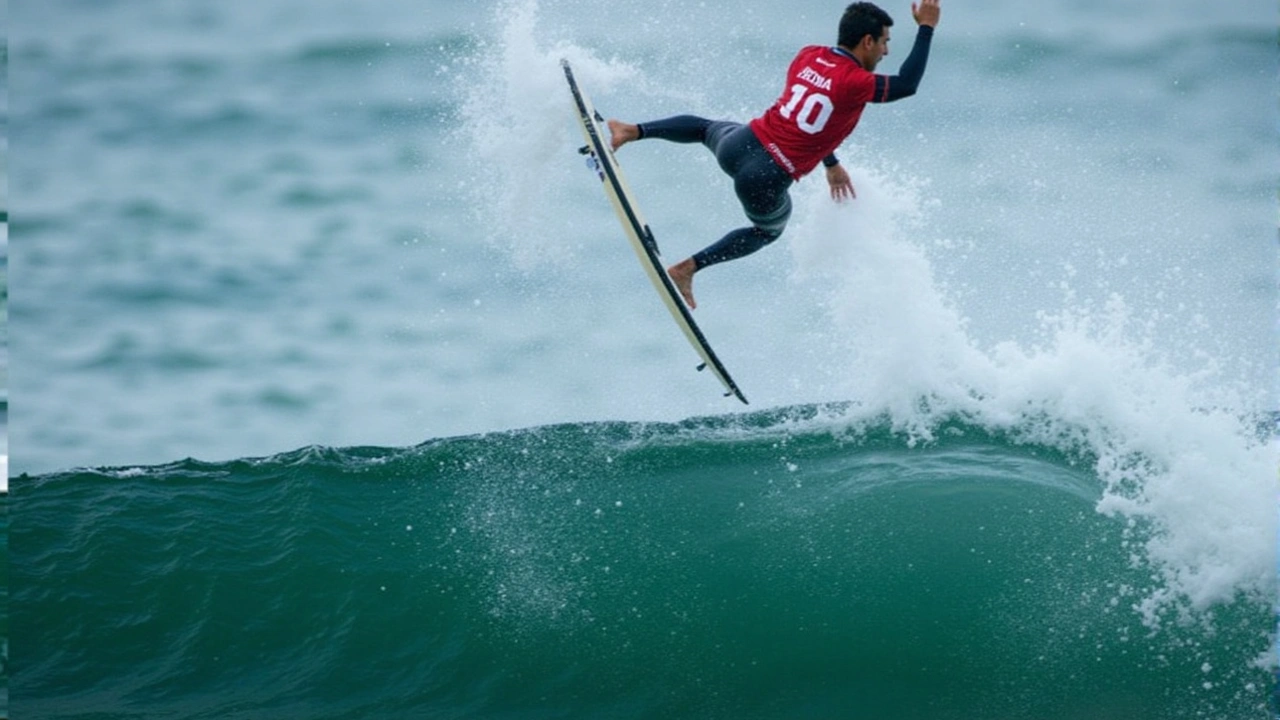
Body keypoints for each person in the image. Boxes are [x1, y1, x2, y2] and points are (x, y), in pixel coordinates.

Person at [608, 0, 942, 309]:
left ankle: (630, 130)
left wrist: (831, 163)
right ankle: (687, 268)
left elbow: (813, 120)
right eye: (884, 42)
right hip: (765, 177)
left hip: (739, 144)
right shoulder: (856, 82)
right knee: (766, 231)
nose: (886, 51)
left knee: (704, 128)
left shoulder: (808, 54)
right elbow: (907, 84)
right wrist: (926, 27)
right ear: (867, 41)